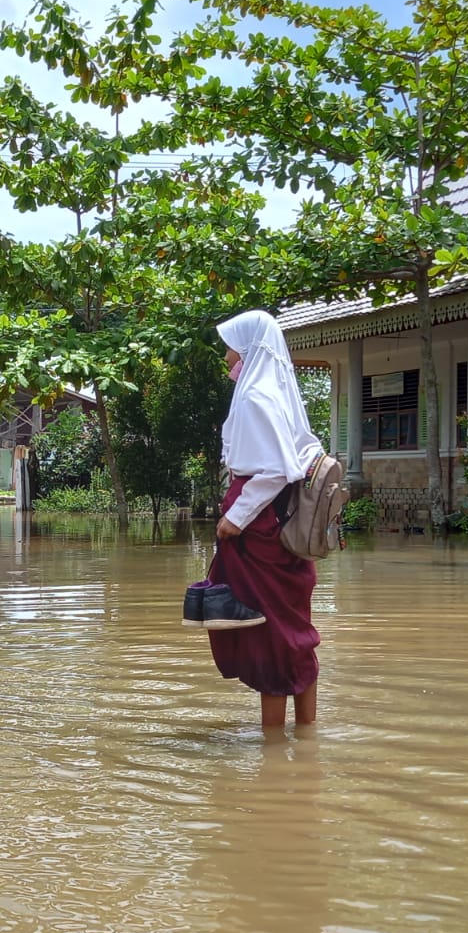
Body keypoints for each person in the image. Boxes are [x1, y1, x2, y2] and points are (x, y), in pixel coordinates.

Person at [207, 310, 326, 727]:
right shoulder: (280, 396)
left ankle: (273, 749)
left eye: (230, 347)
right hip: (285, 522)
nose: (226, 356)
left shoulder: (257, 398)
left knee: (271, 634)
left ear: (248, 349)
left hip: (260, 525)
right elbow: (307, 454)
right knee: (294, 631)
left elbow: (275, 470)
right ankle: (305, 736)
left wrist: (236, 518)